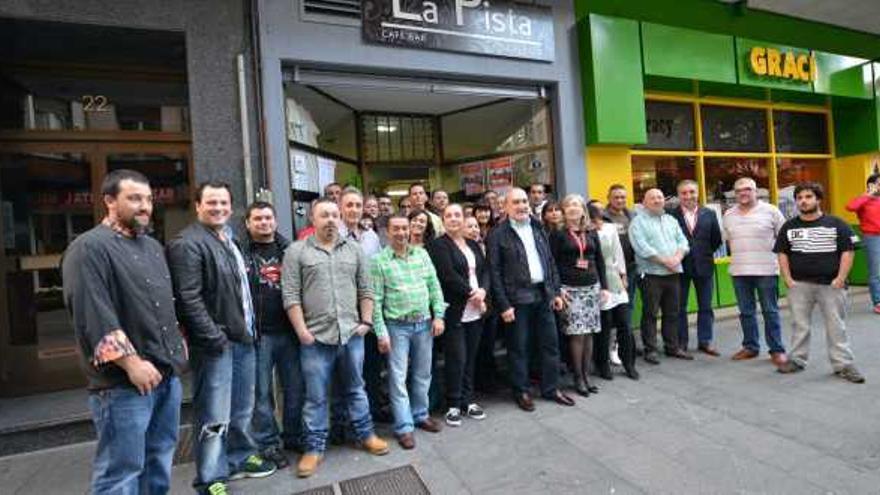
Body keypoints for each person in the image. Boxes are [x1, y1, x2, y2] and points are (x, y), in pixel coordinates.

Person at [62, 169, 186, 495]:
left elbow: (161, 308)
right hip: (122, 386)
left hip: (165, 376)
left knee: (158, 461)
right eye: (134, 198)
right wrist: (131, 364)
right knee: (120, 473)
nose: (144, 206)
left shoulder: (152, 247)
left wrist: (178, 349)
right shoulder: (88, 248)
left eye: (147, 199)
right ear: (109, 201)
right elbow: (93, 317)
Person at [166, 182, 275, 494]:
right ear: (198, 205)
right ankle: (211, 478)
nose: (218, 208)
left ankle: (239, 457)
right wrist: (214, 339)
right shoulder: (187, 244)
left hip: (243, 339)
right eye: (211, 202)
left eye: (223, 203)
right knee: (214, 414)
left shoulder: (229, 239)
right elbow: (188, 299)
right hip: (216, 346)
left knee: (242, 408)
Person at [281, 198, 389, 478]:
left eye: (333, 214)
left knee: (356, 388)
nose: (330, 219)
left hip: (352, 334)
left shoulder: (354, 250)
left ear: (340, 218)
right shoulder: (296, 251)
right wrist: (302, 331)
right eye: (323, 215)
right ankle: (314, 449)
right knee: (315, 396)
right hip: (315, 338)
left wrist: (366, 322)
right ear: (313, 220)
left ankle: (366, 435)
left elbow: (367, 289)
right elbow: (290, 295)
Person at [487, 188, 575, 411]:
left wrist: (555, 291)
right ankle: (522, 391)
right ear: (505, 207)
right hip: (517, 300)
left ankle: (551, 388)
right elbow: (494, 272)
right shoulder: (497, 234)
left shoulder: (537, 226)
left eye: (524, 201)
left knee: (550, 344)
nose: (522, 206)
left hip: (543, 295)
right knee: (519, 348)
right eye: (516, 202)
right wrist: (504, 305)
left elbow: (549, 261)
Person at [774, 183, 865, 383]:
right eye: (799, 198)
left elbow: (848, 252)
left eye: (808, 196)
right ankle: (797, 360)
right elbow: (782, 254)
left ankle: (843, 365)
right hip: (799, 285)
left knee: (836, 326)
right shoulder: (789, 227)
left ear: (818, 199)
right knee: (799, 325)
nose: (803, 201)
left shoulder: (837, 224)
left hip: (831, 285)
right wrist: (788, 279)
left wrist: (840, 278)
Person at [371, 214, 447, 449]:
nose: (402, 233)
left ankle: (420, 415)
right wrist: (381, 332)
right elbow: (375, 300)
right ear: (388, 232)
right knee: (398, 378)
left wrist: (439, 316)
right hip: (397, 327)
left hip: (424, 324)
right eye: (396, 229)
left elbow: (434, 286)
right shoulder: (379, 261)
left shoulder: (422, 254)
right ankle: (404, 427)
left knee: (423, 373)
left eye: (405, 228)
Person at [240, 202, 303, 469]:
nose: (264, 223)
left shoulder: (290, 250)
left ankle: (293, 435)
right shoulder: (239, 252)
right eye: (258, 219)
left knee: (295, 388)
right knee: (262, 394)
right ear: (248, 223)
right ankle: (268, 444)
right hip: (259, 335)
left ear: (275, 221)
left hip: (290, 332)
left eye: (268, 218)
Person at [427, 204, 490, 427]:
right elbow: (448, 276)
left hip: (476, 309)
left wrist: (483, 291)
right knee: (457, 358)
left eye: (457, 214)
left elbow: (485, 271)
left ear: (464, 218)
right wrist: (474, 294)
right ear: (443, 220)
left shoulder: (473, 244)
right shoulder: (438, 245)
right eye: (449, 215)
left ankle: (468, 400)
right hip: (455, 310)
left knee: (471, 357)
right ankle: (453, 403)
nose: (454, 218)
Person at [723, 177, 788, 366]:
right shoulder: (729, 214)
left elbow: (784, 239)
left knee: (770, 311)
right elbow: (728, 240)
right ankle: (750, 347)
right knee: (746, 312)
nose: (743, 193)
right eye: (738, 190)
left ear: (756, 191)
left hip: (766, 270)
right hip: (739, 271)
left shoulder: (771, 211)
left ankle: (777, 350)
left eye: (747, 189)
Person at [549, 194, 608, 396]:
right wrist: (557, 289)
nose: (573, 208)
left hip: (591, 287)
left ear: (583, 209)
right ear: (564, 211)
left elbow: (599, 260)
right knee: (576, 334)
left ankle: (586, 374)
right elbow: (552, 264)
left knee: (589, 332)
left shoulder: (591, 232)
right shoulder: (558, 234)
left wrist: (604, 287)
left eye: (577, 205)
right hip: (569, 289)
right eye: (569, 205)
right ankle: (577, 378)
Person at [629, 188, 692, 364]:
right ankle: (651, 349)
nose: (657, 200)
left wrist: (678, 258)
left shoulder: (670, 220)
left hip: (673, 273)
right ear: (644, 202)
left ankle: (672, 347)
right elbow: (642, 248)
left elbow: (683, 242)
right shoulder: (637, 223)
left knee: (673, 312)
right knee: (650, 313)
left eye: (659, 197)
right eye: (652, 198)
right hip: (651, 274)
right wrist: (665, 261)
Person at [667, 180, 723, 356]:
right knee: (679, 308)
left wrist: (702, 254)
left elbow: (716, 240)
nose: (688, 196)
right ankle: (682, 343)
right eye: (684, 193)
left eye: (691, 192)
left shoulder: (709, 213)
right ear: (678, 195)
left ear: (698, 193)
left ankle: (705, 341)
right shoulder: (670, 215)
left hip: (704, 266)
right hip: (680, 267)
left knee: (705, 306)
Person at [589, 201, 639, 380]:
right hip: (598, 282)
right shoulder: (587, 231)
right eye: (597, 213)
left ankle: (629, 363)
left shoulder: (610, 228)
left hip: (615, 278)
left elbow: (618, 253)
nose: (601, 216)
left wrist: (623, 274)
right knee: (605, 326)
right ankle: (602, 364)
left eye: (602, 212)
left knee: (625, 324)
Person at [845, 173, 880, 314]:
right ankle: (878, 301)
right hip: (872, 237)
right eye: (878, 183)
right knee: (876, 271)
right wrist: (867, 194)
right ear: (871, 185)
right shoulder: (864, 200)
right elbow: (850, 207)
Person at [604, 185, 639, 322]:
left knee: (628, 302)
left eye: (622, 197)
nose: (619, 200)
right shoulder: (603, 217)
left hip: (631, 266)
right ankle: (614, 340)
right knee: (613, 305)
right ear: (609, 198)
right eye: (616, 197)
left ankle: (625, 339)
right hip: (612, 269)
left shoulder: (632, 215)